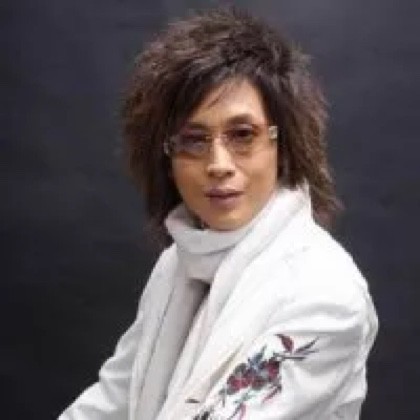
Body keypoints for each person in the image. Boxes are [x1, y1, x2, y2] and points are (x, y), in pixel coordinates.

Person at [59, 7, 378, 420]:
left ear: (283, 145)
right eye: (194, 140)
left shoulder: (325, 294)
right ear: (167, 157)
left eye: (242, 135)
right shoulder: (179, 262)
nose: (218, 164)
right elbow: (114, 400)